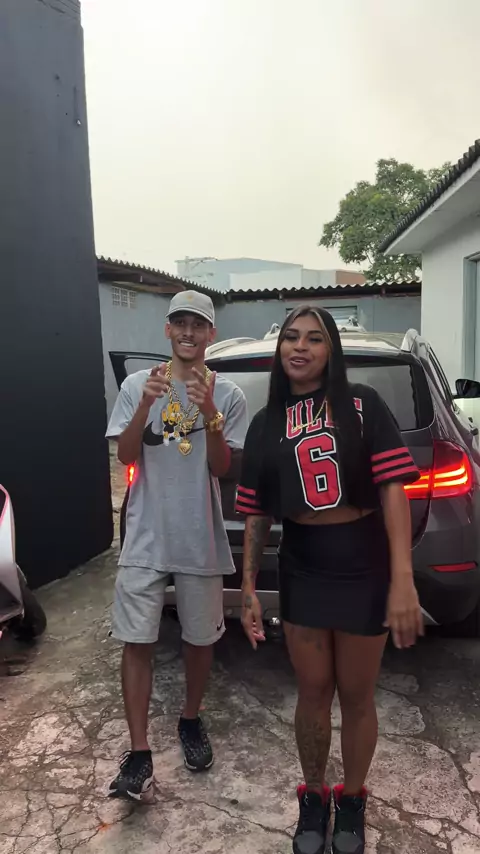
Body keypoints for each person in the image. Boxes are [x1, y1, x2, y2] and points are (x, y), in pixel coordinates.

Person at [236, 306, 423, 854]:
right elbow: (256, 514)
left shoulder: (362, 403)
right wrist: (248, 587)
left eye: (315, 339)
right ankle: (314, 797)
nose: (300, 347)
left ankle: (354, 799)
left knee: (357, 695)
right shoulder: (265, 423)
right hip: (303, 563)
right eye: (291, 337)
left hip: (363, 562)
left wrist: (403, 579)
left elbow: (393, 490)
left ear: (331, 350)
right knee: (313, 691)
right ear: (280, 349)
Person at [106, 290, 248, 802]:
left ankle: (190, 718)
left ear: (211, 333)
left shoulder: (228, 394)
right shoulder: (136, 385)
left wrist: (209, 412)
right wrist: (146, 404)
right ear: (167, 329)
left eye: (198, 324)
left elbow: (221, 468)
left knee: (199, 639)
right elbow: (126, 455)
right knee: (136, 640)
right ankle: (139, 751)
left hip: (198, 535)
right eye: (180, 323)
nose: (189, 332)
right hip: (145, 533)